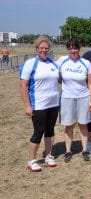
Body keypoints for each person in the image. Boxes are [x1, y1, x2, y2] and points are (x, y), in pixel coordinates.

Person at [19, 36, 59, 172]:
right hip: (38, 105)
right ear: (36, 49)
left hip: (53, 104)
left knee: (50, 130)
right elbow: (23, 86)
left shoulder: (53, 63)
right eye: (41, 48)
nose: (44, 50)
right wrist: (27, 106)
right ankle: (31, 160)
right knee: (38, 131)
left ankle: (48, 156)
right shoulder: (30, 63)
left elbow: (60, 80)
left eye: (46, 48)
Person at [56, 38, 91, 162]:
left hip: (83, 97)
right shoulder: (61, 61)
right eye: (70, 48)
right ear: (68, 49)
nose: (73, 50)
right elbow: (57, 77)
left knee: (83, 124)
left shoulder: (86, 63)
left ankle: (85, 150)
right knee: (69, 125)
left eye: (75, 47)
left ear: (79, 48)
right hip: (67, 97)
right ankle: (68, 151)